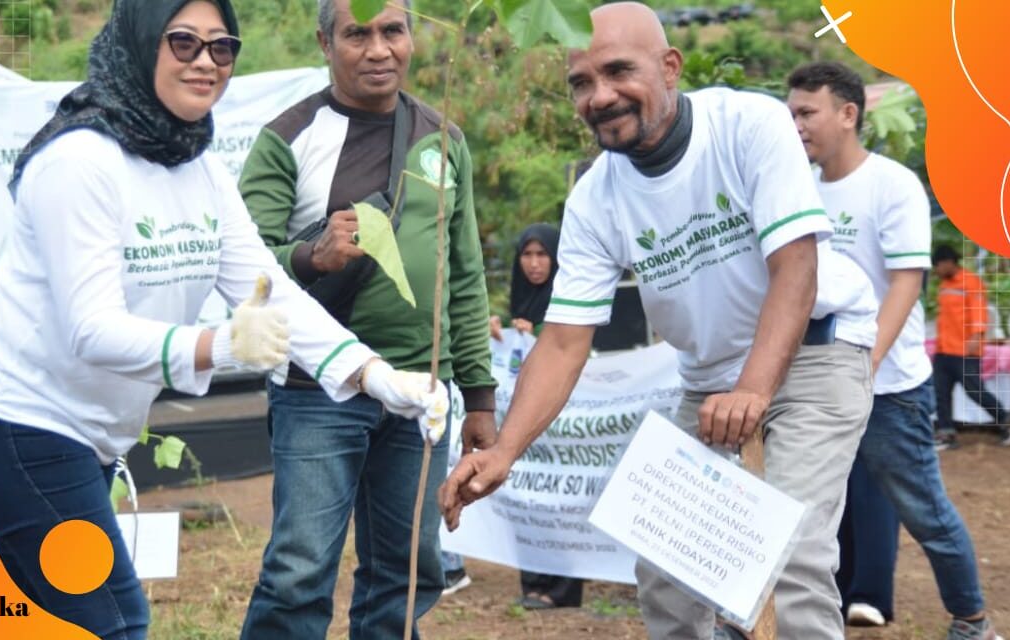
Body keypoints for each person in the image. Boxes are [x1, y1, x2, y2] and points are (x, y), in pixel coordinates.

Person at [0, 2, 444, 638]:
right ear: (140, 44)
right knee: (110, 619)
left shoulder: (195, 162)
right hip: (12, 423)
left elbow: (269, 289)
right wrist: (224, 347)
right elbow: (90, 329)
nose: (205, 62)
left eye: (221, 47)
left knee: (51, 621)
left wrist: (372, 374)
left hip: (80, 433)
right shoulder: (79, 161)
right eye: (184, 43)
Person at [440, 4, 881, 638]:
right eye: (581, 83)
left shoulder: (747, 125)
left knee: (789, 553)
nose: (601, 96)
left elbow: (796, 270)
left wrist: (754, 390)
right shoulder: (596, 198)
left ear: (670, 67)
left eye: (619, 71)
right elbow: (564, 340)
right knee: (666, 564)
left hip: (815, 353)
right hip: (708, 384)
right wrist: (506, 450)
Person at [237, 0, 497, 637]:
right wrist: (310, 255)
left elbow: (462, 274)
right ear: (326, 44)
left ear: (411, 39)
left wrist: (481, 397)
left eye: (392, 31)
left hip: (421, 395)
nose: (378, 49)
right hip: (318, 390)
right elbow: (240, 262)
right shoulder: (287, 137)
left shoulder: (445, 140)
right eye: (358, 34)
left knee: (409, 570)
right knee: (300, 570)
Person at [789, 61, 1000, 639]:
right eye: (792, 114)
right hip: (810, 382)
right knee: (801, 511)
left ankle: (972, 620)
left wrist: (863, 363)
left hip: (888, 387)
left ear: (848, 114)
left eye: (807, 112)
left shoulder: (891, 184)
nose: (797, 125)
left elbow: (907, 282)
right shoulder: (795, 186)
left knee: (923, 510)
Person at [498, 223, 588, 610]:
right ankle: (533, 583)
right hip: (528, 426)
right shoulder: (521, 300)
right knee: (527, 493)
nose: (535, 264)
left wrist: (536, 331)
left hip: (565, 421)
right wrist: (499, 332)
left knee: (559, 498)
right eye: (527, 255)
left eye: (542, 255)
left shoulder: (569, 299)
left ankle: (564, 589)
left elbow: (569, 347)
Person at [932, 245, 1010, 449]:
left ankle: (1006, 420)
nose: (936, 271)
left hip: (965, 350)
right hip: (944, 349)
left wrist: (977, 337)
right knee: (940, 392)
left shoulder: (971, 282)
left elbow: (979, 313)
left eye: (938, 266)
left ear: (948, 262)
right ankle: (946, 434)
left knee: (974, 390)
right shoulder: (943, 285)